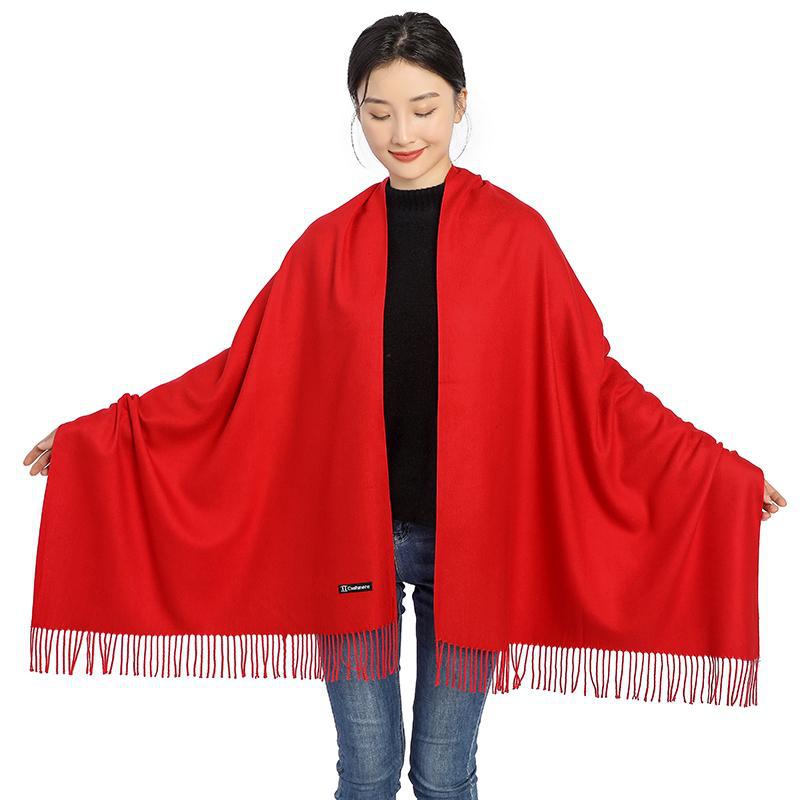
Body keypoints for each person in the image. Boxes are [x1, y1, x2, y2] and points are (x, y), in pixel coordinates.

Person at [22, 12, 787, 800]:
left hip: (473, 547)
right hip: (351, 540)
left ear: (461, 102)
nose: (402, 133)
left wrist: (717, 472)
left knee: (444, 774)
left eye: (423, 108)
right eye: (378, 111)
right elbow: (239, 376)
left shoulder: (519, 238)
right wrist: (100, 438)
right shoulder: (326, 245)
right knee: (367, 773)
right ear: (356, 111)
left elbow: (594, 384)